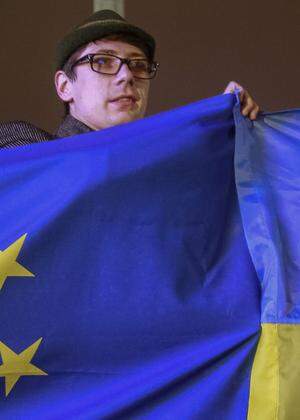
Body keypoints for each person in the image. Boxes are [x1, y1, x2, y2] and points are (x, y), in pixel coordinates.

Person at [0, 9, 259, 148]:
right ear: (65, 85)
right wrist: (201, 129)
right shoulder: (22, 144)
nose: (127, 76)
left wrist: (225, 130)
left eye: (138, 65)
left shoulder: (163, 170)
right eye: (102, 61)